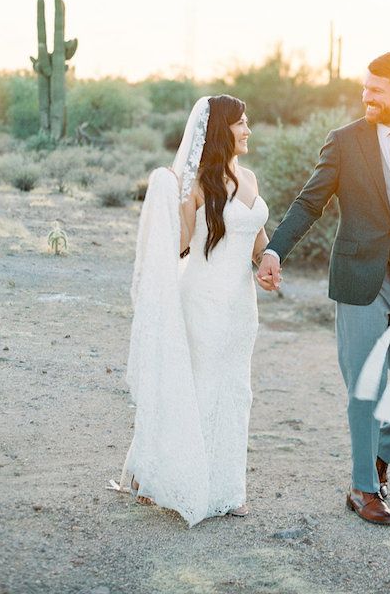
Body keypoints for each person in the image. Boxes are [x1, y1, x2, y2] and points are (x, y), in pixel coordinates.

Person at [256, 53, 390, 525]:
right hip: (358, 276)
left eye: (375, 90)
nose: (365, 97)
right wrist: (273, 251)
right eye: (365, 88)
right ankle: (362, 488)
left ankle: (377, 459)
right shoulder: (345, 141)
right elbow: (309, 202)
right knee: (364, 384)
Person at [115, 95, 269, 526]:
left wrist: (269, 260)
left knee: (236, 390)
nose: (248, 130)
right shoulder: (198, 185)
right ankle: (182, 480)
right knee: (200, 387)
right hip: (202, 299)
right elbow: (181, 245)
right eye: (241, 123)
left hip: (241, 305)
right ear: (222, 130)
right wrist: (170, 194)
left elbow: (255, 237)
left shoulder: (251, 177)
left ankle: (227, 488)